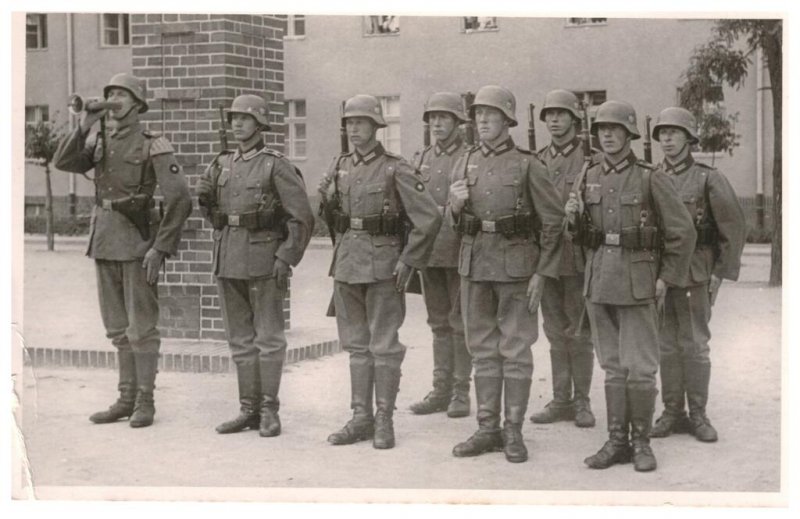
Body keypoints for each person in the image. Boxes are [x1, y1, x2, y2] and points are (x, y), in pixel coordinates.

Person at [54, 73, 192, 428]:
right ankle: (125, 398)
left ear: (137, 104)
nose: (113, 99)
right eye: (110, 93)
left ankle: (145, 401)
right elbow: (64, 163)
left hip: (137, 243)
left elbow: (179, 199)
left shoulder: (152, 143)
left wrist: (160, 249)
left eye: (121, 94)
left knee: (141, 328)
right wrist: (84, 124)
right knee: (117, 328)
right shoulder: (99, 137)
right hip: (104, 239)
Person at [567, 100, 695, 472]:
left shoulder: (649, 176)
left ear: (629, 134)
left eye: (615, 129)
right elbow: (575, 235)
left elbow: (682, 232)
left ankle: (641, 442)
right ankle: (616, 441)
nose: (607, 135)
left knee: (639, 367)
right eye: (602, 130)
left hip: (639, 282)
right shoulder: (587, 174)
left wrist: (666, 278)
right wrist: (571, 220)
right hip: (599, 282)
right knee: (611, 367)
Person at [448, 85, 566, 463]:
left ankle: (513, 430)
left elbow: (553, 221)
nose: (482, 120)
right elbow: (453, 222)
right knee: (482, 349)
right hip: (476, 263)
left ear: (507, 120)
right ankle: (487, 428)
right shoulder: (465, 160)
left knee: (515, 350)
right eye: (478, 114)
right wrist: (454, 205)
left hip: (518, 267)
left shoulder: (528, 164)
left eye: (491, 114)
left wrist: (543, 272)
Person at [320, 94, 442, 449]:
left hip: (385, 266)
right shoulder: (338, 166)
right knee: (357, 346)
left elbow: (428, 217)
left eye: (361, 122)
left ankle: (385, 419)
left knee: (384, 345)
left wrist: (409, 260)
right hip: (346, 265)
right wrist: (326, 199)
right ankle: (361, 418)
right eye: (349, 122)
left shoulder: (394, 167)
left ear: (376, 127)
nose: (354, 128)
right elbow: (332, 219)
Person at [196, 94, 314, 437]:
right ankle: (247, 408)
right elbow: (212, 211)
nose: (237, 124)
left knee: (269, 339)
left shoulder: (275, 165)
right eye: (233, 118)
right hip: (228, 258)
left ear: (260, 124)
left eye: (244, 118)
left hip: (264, 262)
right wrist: (207, 202)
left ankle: (268, 410)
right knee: (240, 340)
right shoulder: (221, 164)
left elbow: (302, 217)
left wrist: (285, 256)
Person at [649, 107, 746, 443]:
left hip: (695, 272)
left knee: (695, 345)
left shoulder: (708, 178)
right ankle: (672, 411)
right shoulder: (651, 175)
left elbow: (732, 228)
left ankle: (698, 413)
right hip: (662, 275)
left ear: (690, 139)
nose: (667, 139)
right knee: (665, 345)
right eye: (663, 133)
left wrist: (719, 273)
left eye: (674, 133)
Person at [530, 89, 600, 428]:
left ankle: (582, 401)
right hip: (547, 258)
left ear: (575, 119)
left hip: (577, 257)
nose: (555, 121)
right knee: (554, 331)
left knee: (579, 331)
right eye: (550, 115)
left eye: (561, 114)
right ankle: (560, 399)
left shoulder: (592, 160)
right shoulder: (537, 159)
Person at [408, 92, 473, 419]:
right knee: (437, 323)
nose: (436, 123)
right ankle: (440, 389)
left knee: (460, 323)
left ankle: (461, 392)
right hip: (429, 252)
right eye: (432, 118)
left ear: (458, 122)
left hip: (458, 249)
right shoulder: (421, 158)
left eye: (443, 117)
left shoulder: (469, 156)